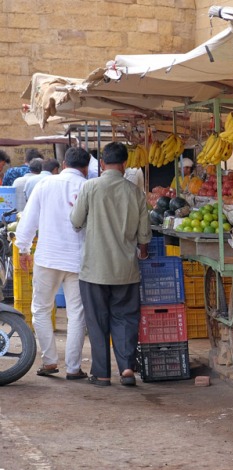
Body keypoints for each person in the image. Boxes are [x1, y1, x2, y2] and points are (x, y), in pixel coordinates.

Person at [70, 142, 151, 387]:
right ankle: (126, 368)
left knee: (97, 321)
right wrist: (143, 254)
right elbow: (144, 234)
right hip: (125, 270)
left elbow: (76, 221)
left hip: (94, 270)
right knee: (125, 319)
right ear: (124, 164)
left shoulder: (89, 187)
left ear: (102, 163)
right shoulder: (135, 192)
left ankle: (102, 373)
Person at [15, 147, 91, 380]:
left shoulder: (45, 185)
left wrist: (23, 248)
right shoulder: (87, 187)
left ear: (64, 163)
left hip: (47, 258)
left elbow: (28, 220)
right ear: (86, 167)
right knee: (76, 314)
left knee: (41, 309)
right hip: (78, 260)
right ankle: (73, 368)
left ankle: (49, 362)